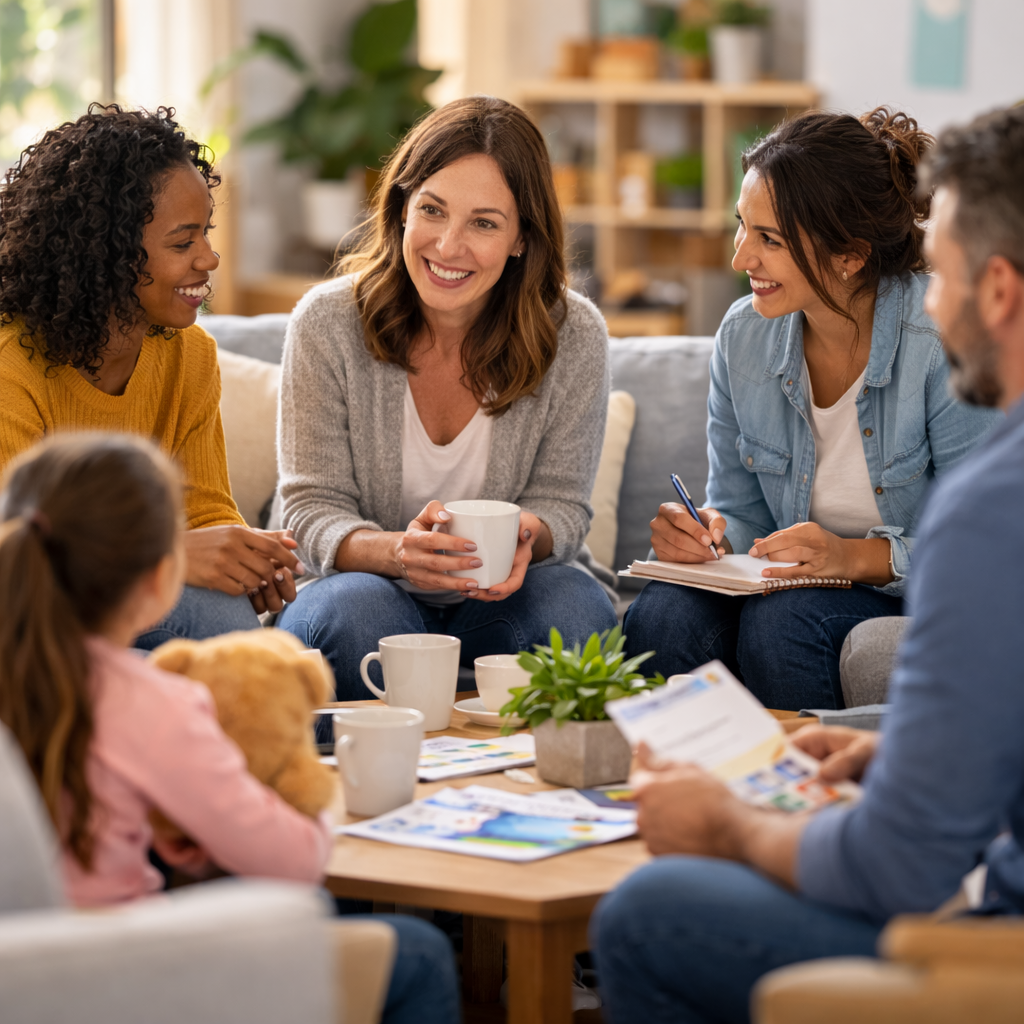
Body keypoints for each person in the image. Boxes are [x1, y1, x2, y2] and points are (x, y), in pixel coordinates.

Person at [591, 103, 1024, 1024]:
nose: (931, 306)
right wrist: (884, 752)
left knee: (640, 913)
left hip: (990, 941)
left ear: (996, 291)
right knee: (667, 613)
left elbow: (902, 867)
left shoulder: (991, 511)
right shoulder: (749, 341)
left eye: (939, 276)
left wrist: (729, 828)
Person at [0, 433, 460, 1024]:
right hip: (103, 976)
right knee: (417, 953)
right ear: (159, 580)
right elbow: (292, 859)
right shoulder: (150, 701)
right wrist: (310, 798)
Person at [623, 108, 999, 711]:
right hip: (787, 587)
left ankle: (796, 797)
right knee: (662, 614)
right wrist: (708, 535)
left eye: (769, 239)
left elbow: (984, 544)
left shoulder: (939, 343)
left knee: (787, 619)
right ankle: (673, 791)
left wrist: (851, 556)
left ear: (849, 255)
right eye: (741, 226)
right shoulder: (743, 337)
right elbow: (742, 511)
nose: (741, 258)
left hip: (901, 589)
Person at [276, 96, 617, 700]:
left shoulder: (575, 334)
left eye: (484, 223)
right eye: (431, 210)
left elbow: (563, 505)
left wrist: (525, 538)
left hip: (501, 604)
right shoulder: (326, 323)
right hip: (364, 593)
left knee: (575, 611)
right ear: (402, 209)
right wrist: (398, 554)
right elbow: (309, 510)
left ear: (520, 238)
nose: (448, 246)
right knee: (358, 615)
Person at [0, 104, 302, 649]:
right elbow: (15, 553)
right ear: (105, 252)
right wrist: (171, 554)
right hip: (23, 620)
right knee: (209, 615)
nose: (209, 259)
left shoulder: (188, 356)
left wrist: (242, 556)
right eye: (183, 242)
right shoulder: (11, 364)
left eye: (206, 234)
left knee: (218, 603)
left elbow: (204, 507)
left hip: (118, 608)